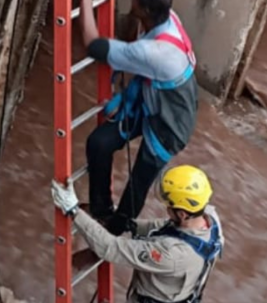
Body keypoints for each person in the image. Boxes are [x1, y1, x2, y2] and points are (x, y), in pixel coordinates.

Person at [51, 165, 224, 303]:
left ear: (182, 214)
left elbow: (110, 247)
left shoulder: (173, 254)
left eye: (169, 207)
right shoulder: (209, 221)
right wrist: (124, 222)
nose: (166, 209)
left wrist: (73, 211)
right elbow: (163, 227)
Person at [78, 0, 199, 236]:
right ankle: (101, 210)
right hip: (151, 101)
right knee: (99, 143)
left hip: (172, 124)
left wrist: (84, 3)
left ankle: (114, 232)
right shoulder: (166, 19)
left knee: (138, 182)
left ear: (145, 10)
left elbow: (92, 46)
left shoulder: (153, 52)